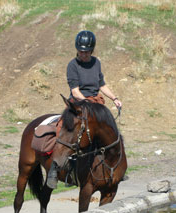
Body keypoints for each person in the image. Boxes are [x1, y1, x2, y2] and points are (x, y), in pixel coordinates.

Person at [47, 30, 122, 189]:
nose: (84, 54)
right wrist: (88, 104)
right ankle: (54, 168)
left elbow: (102, 85)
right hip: (78, 104)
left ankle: (114, 167)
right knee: (62, 128)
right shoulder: (72, 65)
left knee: (109, 131)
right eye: (81, 51)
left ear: (92, 50)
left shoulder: (96, 63)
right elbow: (75, 91)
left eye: (87, 51)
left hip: (95, 103)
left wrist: (114, 98)